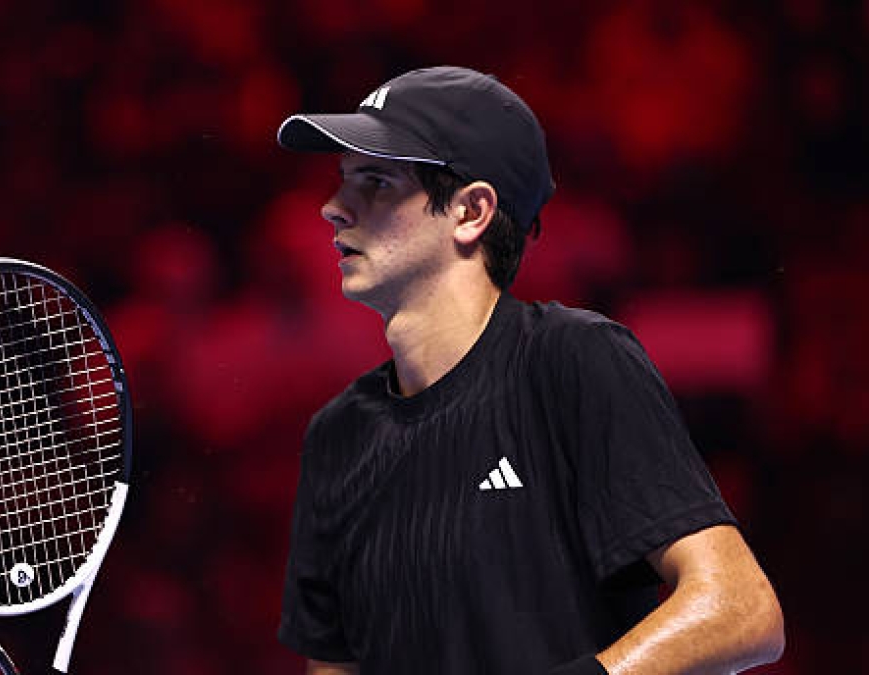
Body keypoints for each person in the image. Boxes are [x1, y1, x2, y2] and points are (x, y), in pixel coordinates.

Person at [274, 66, 784, 675]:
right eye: (343, 180)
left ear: (471, 211)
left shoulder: (574, 360)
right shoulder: (336, 435)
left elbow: (739, 607)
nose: (333, 208)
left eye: (377, 182)